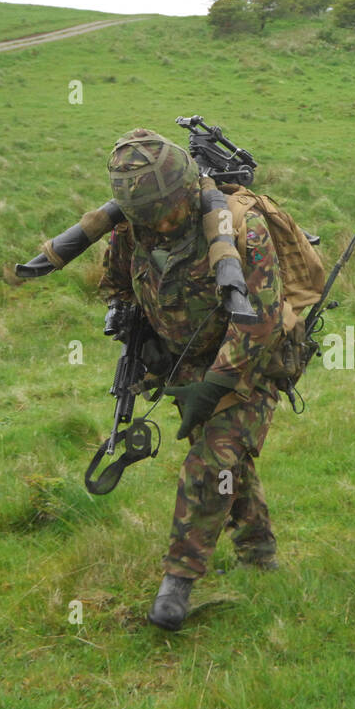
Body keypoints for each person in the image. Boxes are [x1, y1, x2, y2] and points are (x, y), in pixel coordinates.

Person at [101, 128, 286, 632]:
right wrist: (138, 338)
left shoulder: (241, 230)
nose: (157, 225)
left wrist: (216, 384)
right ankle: (259, 553)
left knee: (214, 456)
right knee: (223, 450)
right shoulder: (131, 229)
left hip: (249, 359)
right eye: (146, 217)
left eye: (165, 212)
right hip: (181, 360)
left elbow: (261, 322)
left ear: (185, 192)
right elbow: (118, 285)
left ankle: (178, 580)